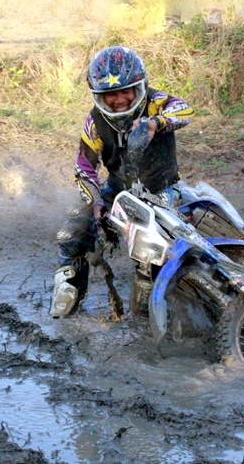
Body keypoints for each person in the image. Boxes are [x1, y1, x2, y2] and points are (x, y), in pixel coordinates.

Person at [50, 45, 194, 318]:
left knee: (151, 249)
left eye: (126, 91)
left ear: (140, 86)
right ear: (98, 95)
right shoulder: (94, 122)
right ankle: (68, 292)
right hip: (118, 190)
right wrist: (94, 201)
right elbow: (84, 166)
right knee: (72, 231)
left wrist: (156, 123)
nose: (120, 100)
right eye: (110, 94)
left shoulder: (156, 101)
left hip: (163, 189)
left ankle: (157, 300)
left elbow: (185, 110)